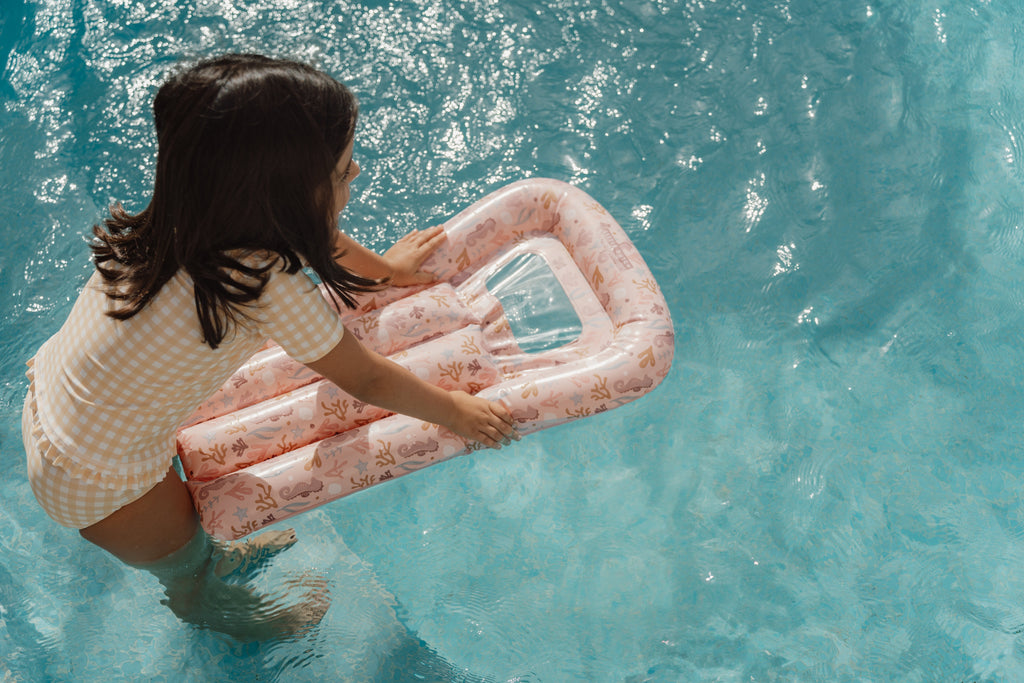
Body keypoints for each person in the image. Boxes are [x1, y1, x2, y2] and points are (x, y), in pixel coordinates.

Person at [20, 53, 519, 641]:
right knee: (187, 564)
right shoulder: (265, 283)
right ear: (284, 199)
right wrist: (456, 411)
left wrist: (387, 272)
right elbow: (365, 378)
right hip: (94, 477)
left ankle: (209, 564)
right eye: (343, 172)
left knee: (184, 529)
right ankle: (219, 611)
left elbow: (319, 236)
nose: (357, 172)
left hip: (57, 405)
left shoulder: (186, 214)